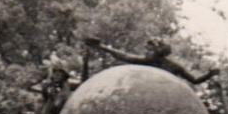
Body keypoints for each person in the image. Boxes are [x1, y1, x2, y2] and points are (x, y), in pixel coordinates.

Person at [85, 35, 220, 85]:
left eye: (149, 49)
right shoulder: (145, 61)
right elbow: (123, 55)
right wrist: (101, 47)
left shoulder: (174, 67)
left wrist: (209, 74)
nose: (146, 52)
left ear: (157, 51)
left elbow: (194, 80)